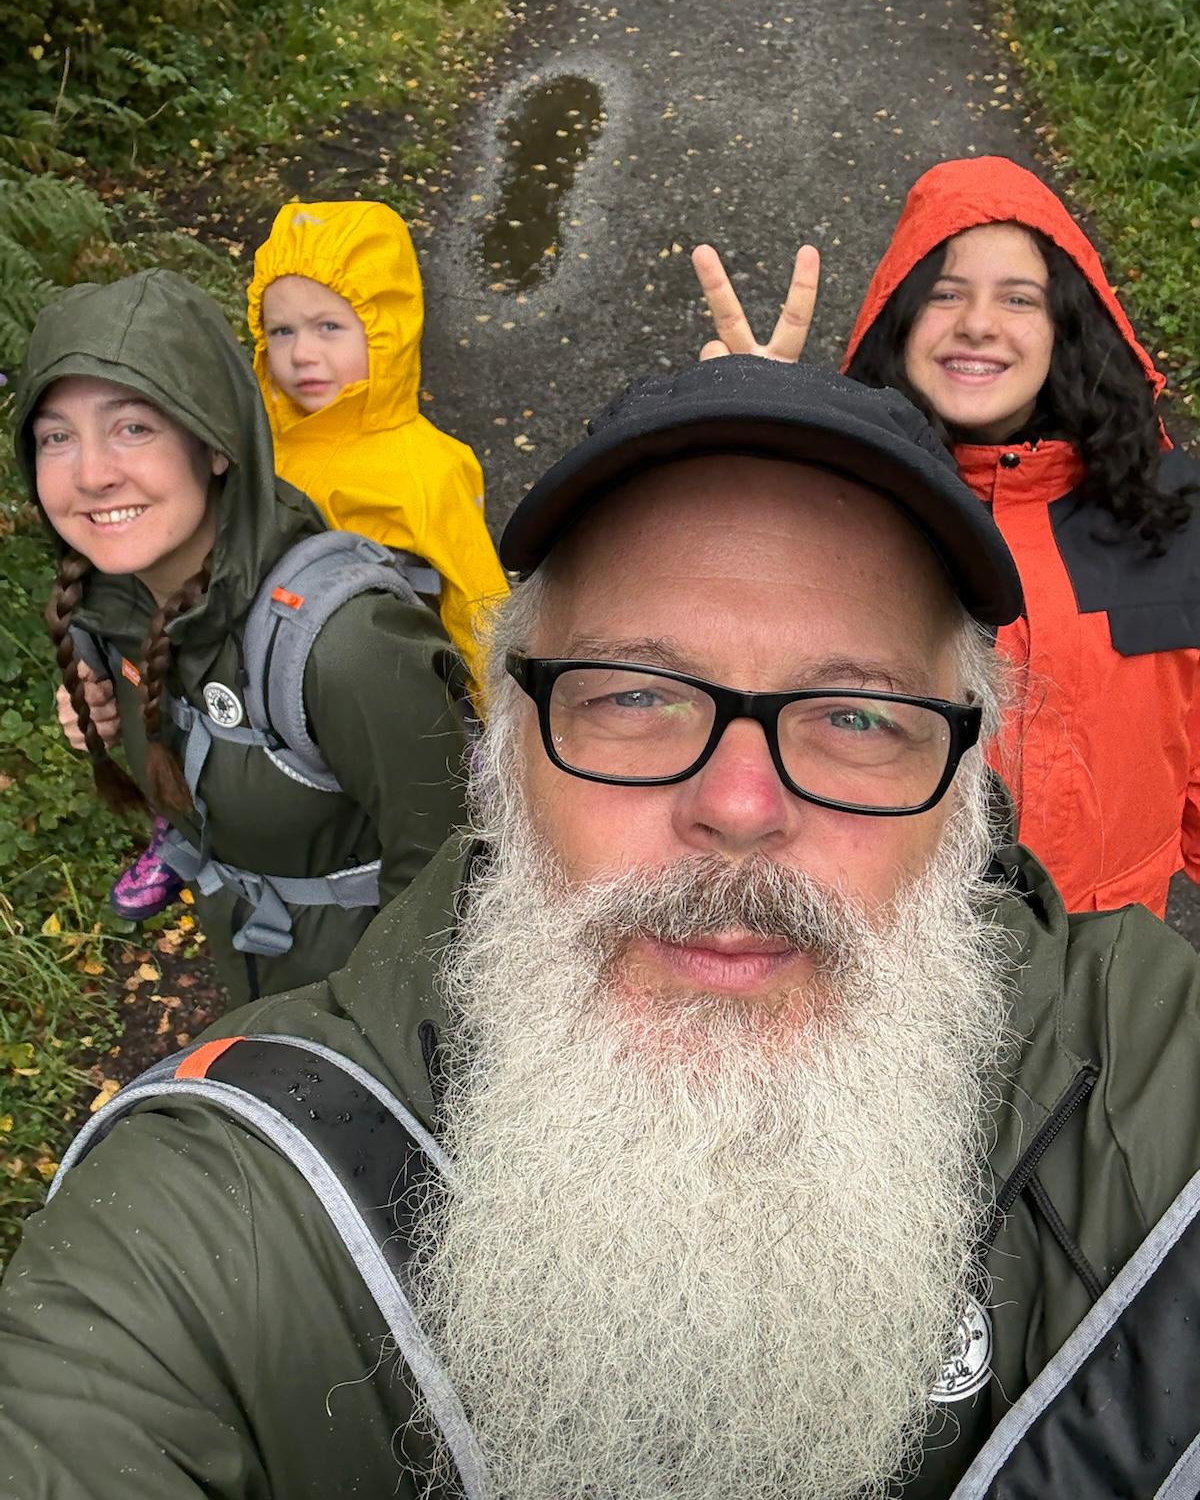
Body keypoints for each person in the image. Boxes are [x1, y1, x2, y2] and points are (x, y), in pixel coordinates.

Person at [6, 354, 1200, 1500]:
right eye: (634, 695)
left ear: (965, 778)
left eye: (856, 714)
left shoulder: (1146, 1081)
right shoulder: (231, 1209)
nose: (739, 806)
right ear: (505, 753)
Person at [18, 267, 467, 1005]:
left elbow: (445, 893)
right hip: (255, 970)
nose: (92, 473)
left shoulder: (346, 646)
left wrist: (371, 1039)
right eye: (57, 437)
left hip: (362, 1014)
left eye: (133, 427)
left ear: (216, 444)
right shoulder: (110, 607)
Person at [840, 155, 1200, 915]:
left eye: (1018, 297)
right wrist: (747, 450)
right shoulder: (841, 507)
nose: (978, 323)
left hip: (1112, 956)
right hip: (908, 948)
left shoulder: (1169, 505)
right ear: (897, 322)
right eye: (945, 294)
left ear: (1065, 325)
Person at [247, 198, 509, 681]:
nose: (301, 353)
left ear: (386, 330)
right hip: (271, 702)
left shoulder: (426, 472)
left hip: (385, 700)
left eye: (329, 327)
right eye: (282, 331)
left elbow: (480, 615)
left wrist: (501, 736)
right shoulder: (259, 450)